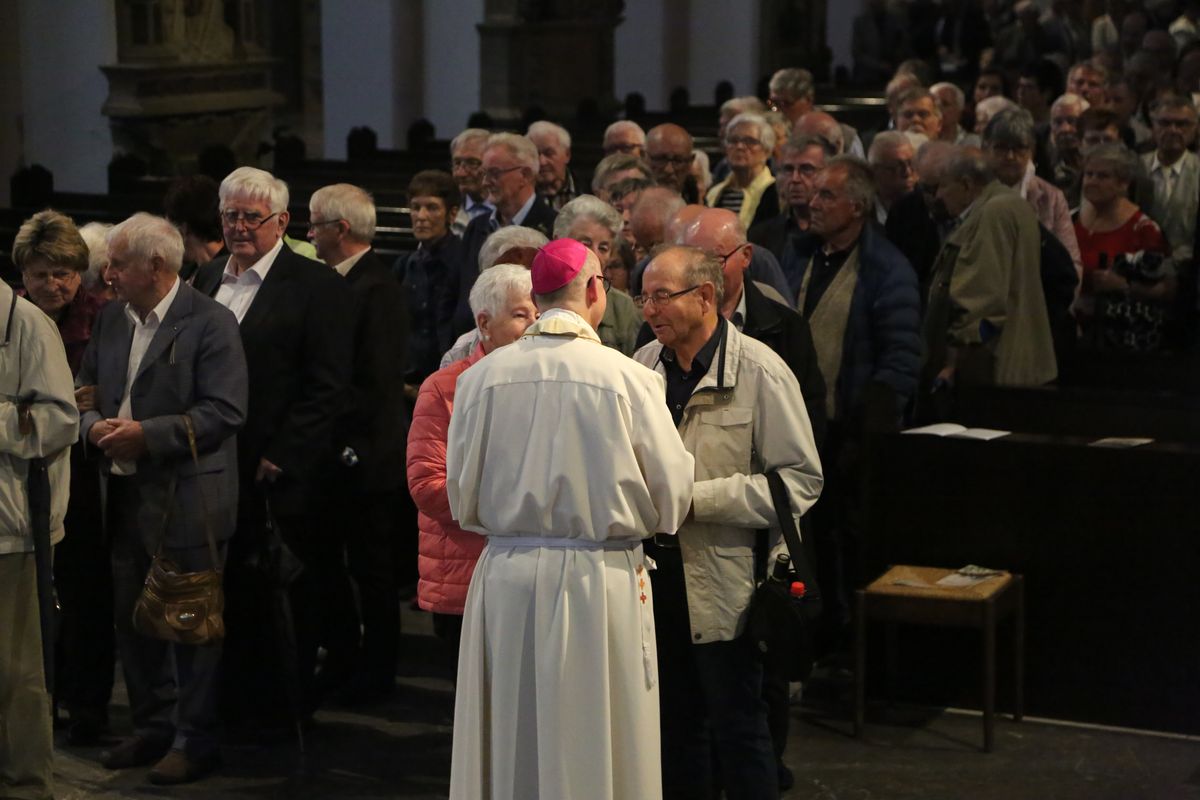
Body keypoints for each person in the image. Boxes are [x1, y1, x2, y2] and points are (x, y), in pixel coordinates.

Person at [446, 239, 695, 800]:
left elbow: (460, 495)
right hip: (597, 580)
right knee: (594, 735)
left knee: (512, 732)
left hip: (506, 576)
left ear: (536, 298)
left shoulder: (480, 379)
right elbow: (672, 496)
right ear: (592, 290)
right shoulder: (628, 378)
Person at [634, 245, 823, 800]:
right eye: (644, 296)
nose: (649, 309)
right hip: (651, 581)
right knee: (674, 730)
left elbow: (798, 483)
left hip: (726, 585)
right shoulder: (642, 365)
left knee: (739, 730)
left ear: (706, 297)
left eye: (661, 296)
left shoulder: (762, 371)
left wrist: (693, 499)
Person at [79, 213, 247, 784]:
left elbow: (225, 411)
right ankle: (151, 727)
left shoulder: (210, 322)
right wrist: (92, 425)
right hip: (122, 491)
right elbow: (84, 390)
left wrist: (146, 435)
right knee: (134, 620)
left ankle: (193, 739)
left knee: (188, 622)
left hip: (187, 496)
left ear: (155, 266)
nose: (107, 273)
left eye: (118, 264)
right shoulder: (110, 318)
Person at [191, 166, 353, 729]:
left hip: (279, 469)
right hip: (214, 463)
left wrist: (282, 454)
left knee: (282, 593)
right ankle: (230, 708)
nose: (238, 227)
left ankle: (283, 710)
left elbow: (327, 385)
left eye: (250, 218)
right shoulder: (207, 276)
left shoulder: (316, 286)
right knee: (228, 588)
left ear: (282, 222)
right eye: (230, 215)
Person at [306, 183, 410, 704]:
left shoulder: (376, 288)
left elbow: (374, 381)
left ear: (339, 230)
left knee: (371, 570)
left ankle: (376, 674)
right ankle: (344, 659)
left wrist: (319, 410)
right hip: (337, 451)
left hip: (365, 455)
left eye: (315, 225)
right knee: (333, 563)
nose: (309, 234)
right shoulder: (340, 282)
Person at [11, 210, 112, 747]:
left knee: (85, 589)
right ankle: (37, 701)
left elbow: (114, 388)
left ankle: (88, 702)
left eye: (63, 273)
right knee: (28, 593)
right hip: (20, 470)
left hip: (88, 474)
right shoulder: (11, 318)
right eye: (40, 272)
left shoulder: (101, 317)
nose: (52, 284)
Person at [408, 265, 536, 655]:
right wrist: (514, 507)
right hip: (463, 575)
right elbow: (427, 485)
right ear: (484, 323)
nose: (534, 325)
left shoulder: (548, 383)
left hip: (527, 571)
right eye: (520, 315)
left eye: (537, 313)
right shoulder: (445, 387)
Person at [0, 237, 77, 800]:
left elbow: (58, 420)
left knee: (16, 673)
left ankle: (27, 786)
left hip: (11, 528)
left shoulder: (25, 323)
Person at [924, 150, 1058, 395]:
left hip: (994, 369)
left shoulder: (991, 213)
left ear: (966, 184)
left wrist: (955, 363)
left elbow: (980, 301)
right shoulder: (1011, 204)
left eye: (942, 186)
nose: (938, 196)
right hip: (1020, 363)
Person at [456, 133, 558, 336]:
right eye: (484, 173)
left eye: (494, 173)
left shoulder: (553, 226)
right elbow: (457, 295)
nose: (485, 182)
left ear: (526, 175)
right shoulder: (476, 227)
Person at [1073, 143, 1172, 349]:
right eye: (1089, 174)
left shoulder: (1145, 229)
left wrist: (1124, 286)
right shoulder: (1069, 219)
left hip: (1123, 339)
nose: (1092, 181)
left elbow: (1167, 290)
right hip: (1072, 333)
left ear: (1123, 184)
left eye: (1102, 176)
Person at [983, 109, 1083, 281]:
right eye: (1001, 148)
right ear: (985, 148)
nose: (1010, 156)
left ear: (1033, 151)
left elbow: (1072, 264)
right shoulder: (971, 190)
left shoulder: (1051, 197)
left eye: (1020, 148)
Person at [394, 170, 463, 388]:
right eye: (415, 207)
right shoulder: (405, 265)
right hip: (409, 381)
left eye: (431, 208)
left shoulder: (463, 262)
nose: (421, 216)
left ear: (451, 214)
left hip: (449, 378)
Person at [553, 195, 641, 355]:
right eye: (585, 244)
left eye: (603, 248)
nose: (594, 255)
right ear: (558, 242)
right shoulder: (533, 297)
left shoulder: (624, 309)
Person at [750, 135, 833, 268]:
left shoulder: (840, 235)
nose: (795, 179)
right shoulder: (760, 236)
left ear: (829, 173)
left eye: (807, 169)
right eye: (788, 169)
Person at [1141, 95, 1199, 265]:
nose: (1173, 130)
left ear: (1196, 128)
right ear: (1153, 126)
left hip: (1190, 269)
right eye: (1165, 123)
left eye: (1182, 124)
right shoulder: (1135, 167)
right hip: (1140, 264)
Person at [707, 112, 780, 230]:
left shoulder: (775, 193)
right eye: (733, 140)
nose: (740, 146)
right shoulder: (714, 193)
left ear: (767, 150)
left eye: (750, 141)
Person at [163, 175, 226, 281]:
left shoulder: (233, 271)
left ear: (183, 229)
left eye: (169, 229)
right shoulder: (182, 274)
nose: (166, 239)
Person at [448, 128, 494, 235]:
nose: (461, 173)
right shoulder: (445, 212)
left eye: (472, 163)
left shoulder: (510, 212)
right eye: (457, 163)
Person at [527, 120, 579, 210]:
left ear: (567, 155)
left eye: (549, 153)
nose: (542, 162)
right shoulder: (519, 196)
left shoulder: (589, 191)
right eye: (535, 154)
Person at [868, 131, 916, 226]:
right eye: (897, 166)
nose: (908, 172)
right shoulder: (862, 212)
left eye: (911, 163)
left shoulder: (927, 207)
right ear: (874, 171)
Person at [645, 123, 695, 193]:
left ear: (690, 163)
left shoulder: (695, 198)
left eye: (678, 161)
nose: (669, 170)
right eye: (660, 159)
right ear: (643, 157)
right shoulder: (628, 201)